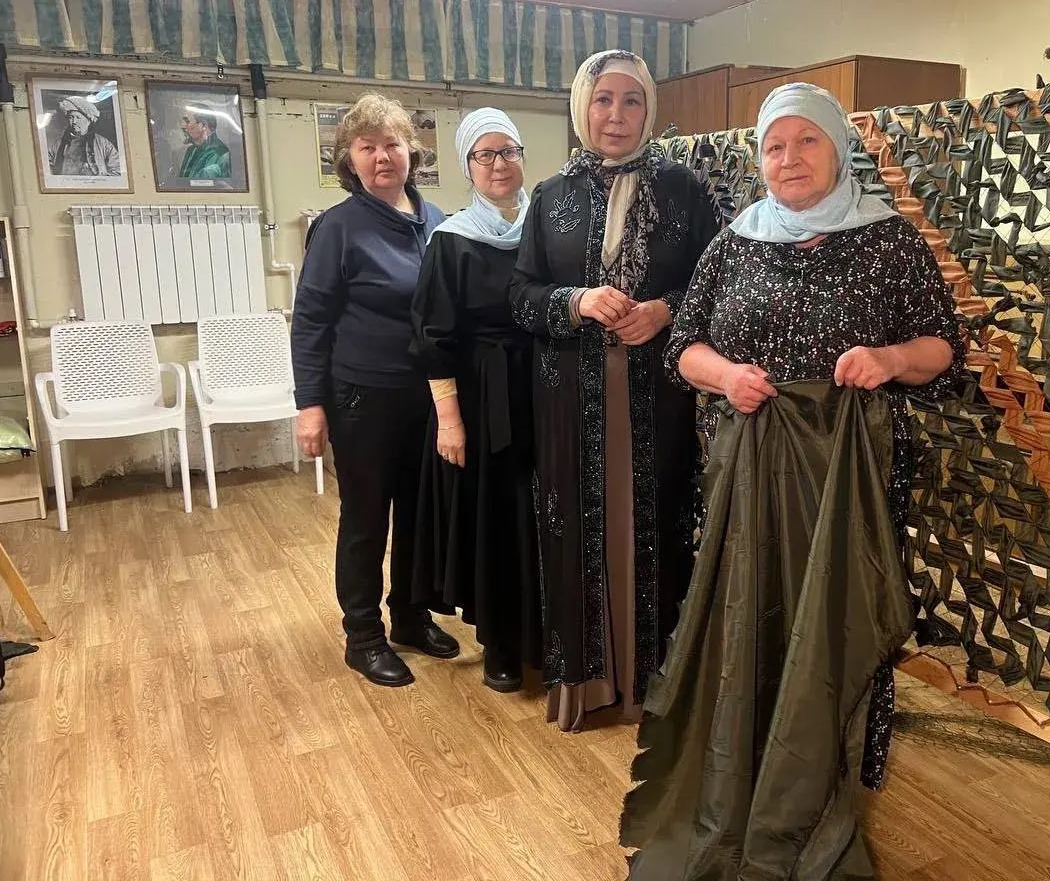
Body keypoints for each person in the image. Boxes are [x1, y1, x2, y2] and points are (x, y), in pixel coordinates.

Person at [619, 82, 965, 878]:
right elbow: (683, 348)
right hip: (750, 469)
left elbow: (942, 348)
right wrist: (727, 376)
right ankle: (738, 765)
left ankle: (822, 779)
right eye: (775, 146)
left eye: (807, 140)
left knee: (835, 614)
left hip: (848, 475)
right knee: (750, 611)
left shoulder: (888, 241)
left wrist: (888, 359)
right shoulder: (735, 241)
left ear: (837, 148)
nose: (789, 158)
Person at [509, 50, 719, 731]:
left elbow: (718, 286)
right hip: (571, 401)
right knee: (578, 531)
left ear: (649, 109)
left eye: (632, 101)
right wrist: (575, 301)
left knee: (656, 527)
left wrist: (663, 312)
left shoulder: (684, 190)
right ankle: (587, 683)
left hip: (658, 396)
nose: (617, 115)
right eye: (603, 100)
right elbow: (521, 295)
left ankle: (655, 685)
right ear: (582, 107)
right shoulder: (552, 196)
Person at [292, 92, 460, 687]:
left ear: (411, 152)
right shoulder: (337, 228)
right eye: (368, 147)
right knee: (366, 518)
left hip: (429, 398)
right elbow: (310, 322)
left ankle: (411, 616)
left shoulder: (438, 221)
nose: (382, 156)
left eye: (392, 144)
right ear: (351, 159)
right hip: (361, 398)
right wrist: (310, 406)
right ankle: (363, 635)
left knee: (419, 514)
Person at [410, 108, 540, 693]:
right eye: (484, 155)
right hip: (485, 401)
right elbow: (432, 336)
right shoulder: (452, 240)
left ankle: (549, 634)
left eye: (508, 151)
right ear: (467, 166)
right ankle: (502, 645)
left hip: (546, 390)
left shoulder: (547, 227)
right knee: (499, 521)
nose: (498, 164)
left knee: (545, 516)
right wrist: (450, 421)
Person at [49, 96, 121, 176]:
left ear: (89, 120)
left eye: (78, 117)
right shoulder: (59, 144)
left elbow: (117, 170)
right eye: (71, 117)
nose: (74, 121)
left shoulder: (104, 144)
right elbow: (47, 166)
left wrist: (99, 180)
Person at [178, 105, 233, 180]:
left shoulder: (220, 154)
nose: (184, 127)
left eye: (188, 122)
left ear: (203, 125)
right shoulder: (191, 150)